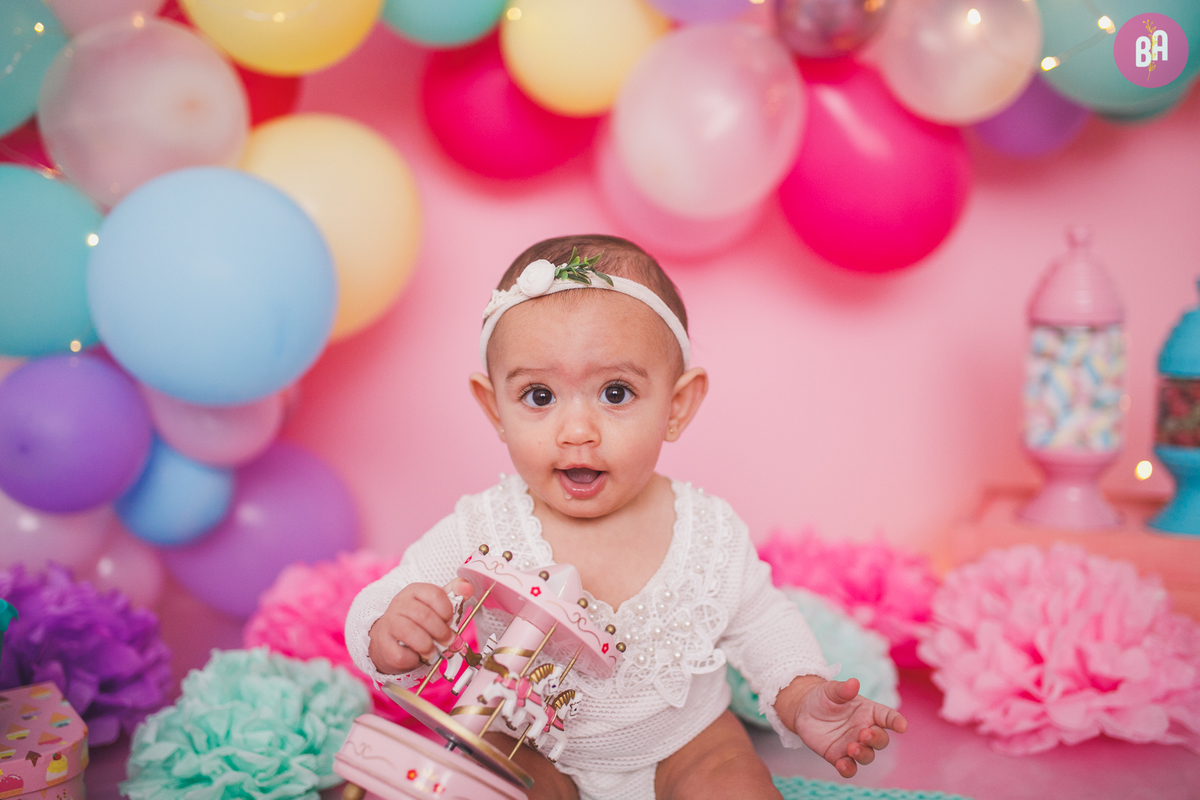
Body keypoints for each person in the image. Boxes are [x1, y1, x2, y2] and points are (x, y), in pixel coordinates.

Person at [345, 234, 906, 800]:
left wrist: (803, 693)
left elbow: (762, 624)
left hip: (687, 744)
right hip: (531, 749)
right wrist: (389, 629)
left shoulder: (706, 532)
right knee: (489, 783)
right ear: (495, 407)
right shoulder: (483, 529)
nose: (577, 431)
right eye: (539, 397)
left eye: (616, 392)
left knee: (732, 784)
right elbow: (381, 598)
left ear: (676, 406)